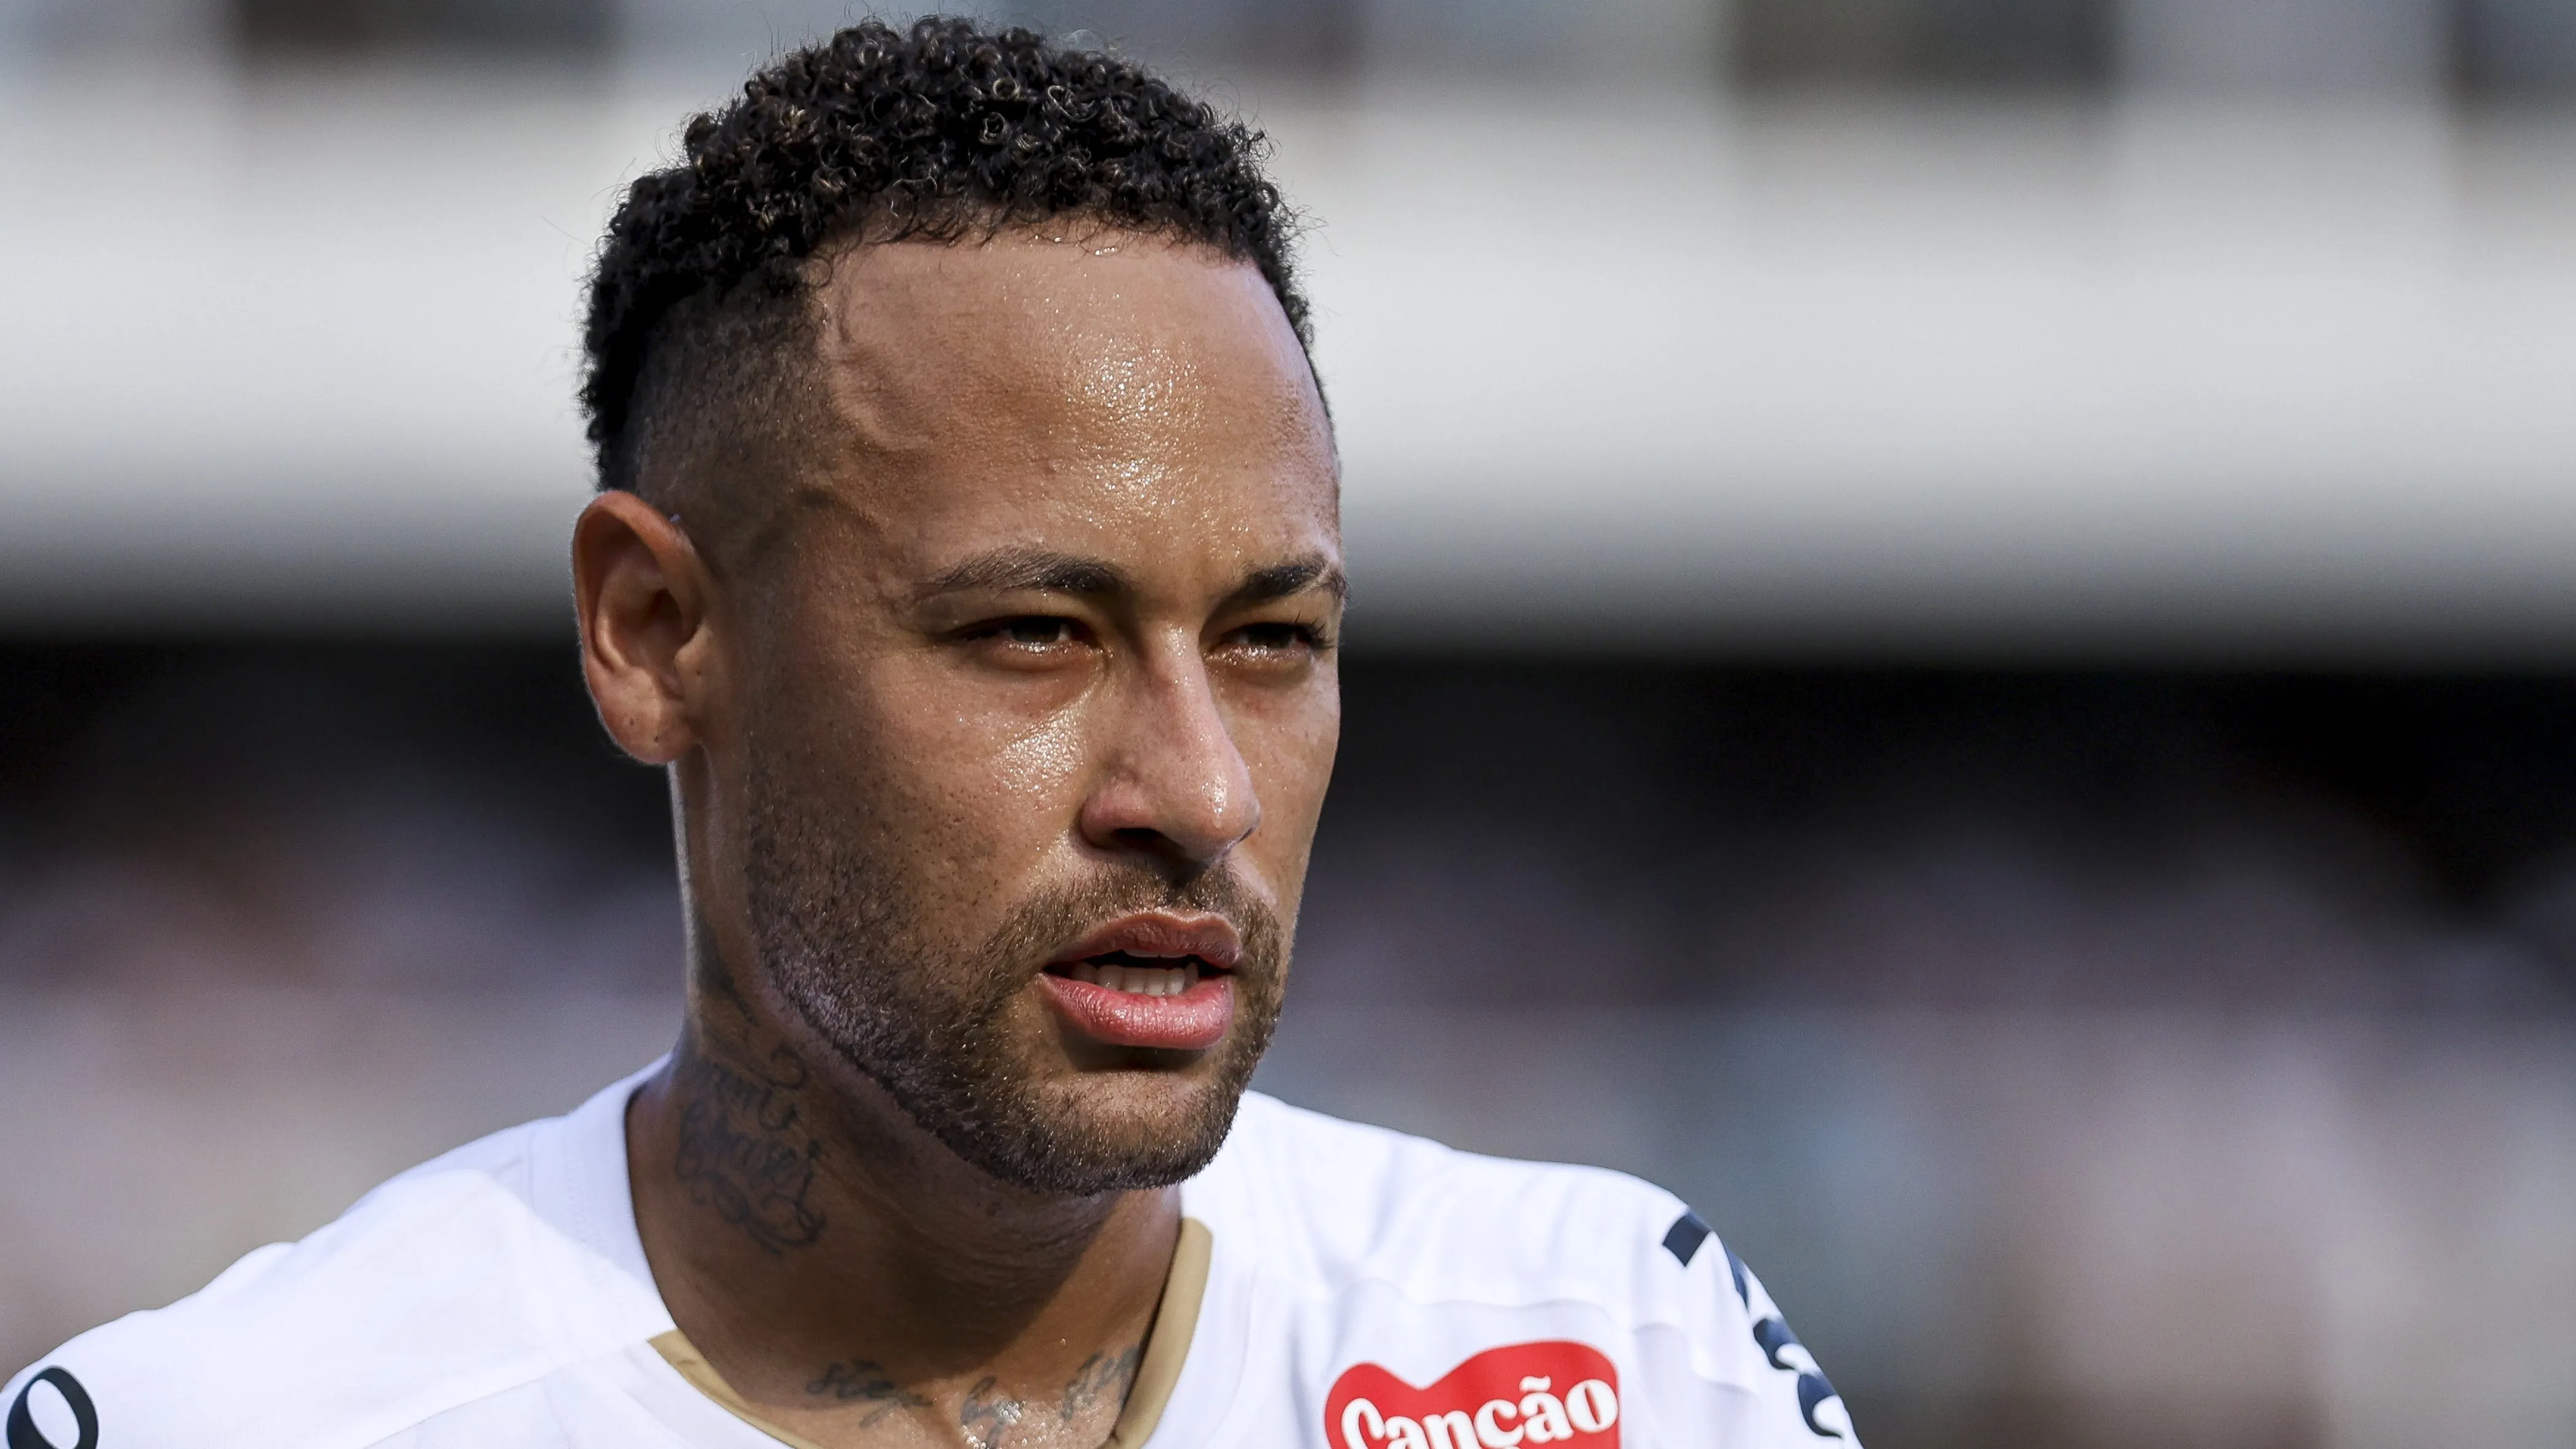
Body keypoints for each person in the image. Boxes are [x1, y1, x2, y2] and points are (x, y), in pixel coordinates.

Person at [4, 18, 1855, 1449]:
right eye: (1034, 634)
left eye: (1275, 639)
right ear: (655, 635)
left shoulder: (1614, 1351)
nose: (1199, 792)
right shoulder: (241, 1419)